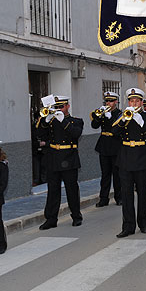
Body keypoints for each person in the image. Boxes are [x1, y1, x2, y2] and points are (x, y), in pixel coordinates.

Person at [112, 88, 146, 237]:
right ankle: (128, 226)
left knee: (143, 193)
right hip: (125, 159)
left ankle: (144, 223)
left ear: (142, 102)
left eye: (137, 101)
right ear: (128, 102)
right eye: (132, 101)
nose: (134, 103)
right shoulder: (123, 117)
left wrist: (142, 124)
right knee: (126, 195)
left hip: (143, 159)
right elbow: (113, 133)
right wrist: (123, 121)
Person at [37, 95, 84, 230]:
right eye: (56, 107)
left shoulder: (75, 121)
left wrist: (63, 121)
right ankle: (51, 219)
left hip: (69, 158)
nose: (58, 109)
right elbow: (39, 133)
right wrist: (45, 120)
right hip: (53, 158)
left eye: (61, 107)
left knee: (71, 189)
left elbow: (76, 134)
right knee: (53, 190)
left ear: (67, 106)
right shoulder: (50, 122)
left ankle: (76, 216)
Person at [91, 91, 123, 207]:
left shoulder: (120, 114)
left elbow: (118, 129)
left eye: (110, 101)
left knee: (117, 174)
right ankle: (103, 198)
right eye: (106, 101)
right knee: (105, 174)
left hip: (115, 146)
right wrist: (99, 117)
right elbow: (94, 125)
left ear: (115, 102)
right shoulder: (103, 113)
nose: (108, 103)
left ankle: (119, 197)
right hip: (104, 146)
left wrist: (110, 118)